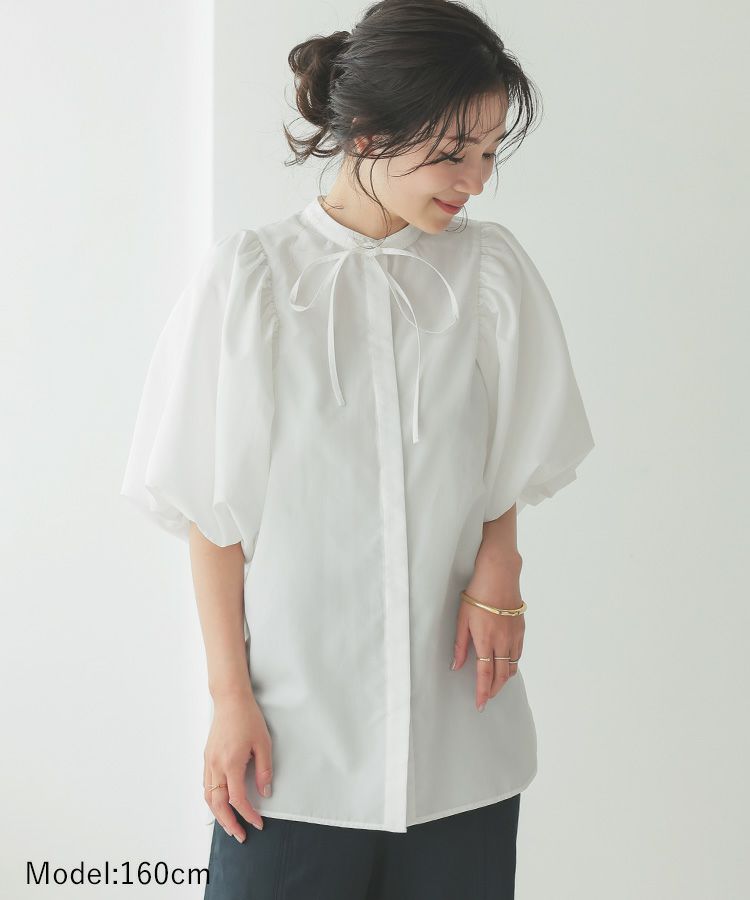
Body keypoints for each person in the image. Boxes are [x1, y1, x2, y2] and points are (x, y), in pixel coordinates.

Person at [120, 1, 595, 896]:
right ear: (370, 132)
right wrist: (229, 700)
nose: (475, 181)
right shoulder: (254, 280)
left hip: (460, 746)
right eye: (453, 153)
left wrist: (502, 564)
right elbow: (209, 513)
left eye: (490, 153)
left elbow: (510, 453)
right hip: (291, 753)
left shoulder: (488, 273)